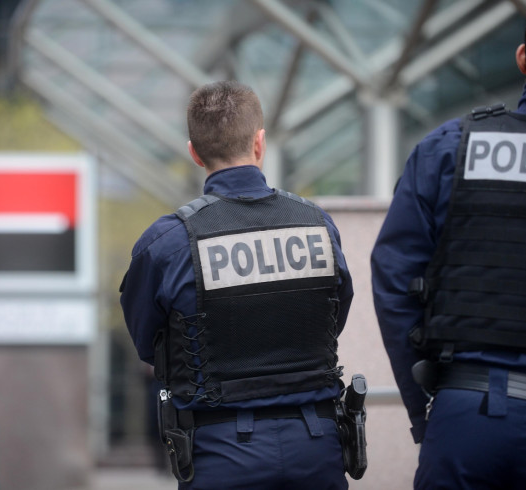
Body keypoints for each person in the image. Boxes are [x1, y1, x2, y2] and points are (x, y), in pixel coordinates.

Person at [371, 1, 526, 488]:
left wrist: (425, 407)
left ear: (523, 58)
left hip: (461, 418)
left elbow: (394, 278)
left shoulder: (448, 148)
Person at [120, 80, 355, 489]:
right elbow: (335, 316)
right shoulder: (318, 225)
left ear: (194, 152)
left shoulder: (168, 242)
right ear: (259, 143)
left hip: (220, 452)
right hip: (316, 444)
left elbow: (149, 344)